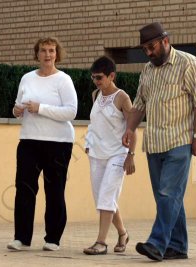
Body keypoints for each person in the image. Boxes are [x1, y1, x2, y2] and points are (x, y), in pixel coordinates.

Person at [122, 22, 196, 261]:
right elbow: (139, 104)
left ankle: (157, 243)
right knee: (170, 198)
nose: (149, 53)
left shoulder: (188, 63)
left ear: (165, 41)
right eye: (144, 49)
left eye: (151, 47)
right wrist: (130, 129)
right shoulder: (148, 70)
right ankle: (178, 245)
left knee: (167, 194)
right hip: (154, 145)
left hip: (179, 142)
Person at [7, 37, 78, 252]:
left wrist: (41, 108)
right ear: (36, 54)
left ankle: (53, 239)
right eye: (43, 51)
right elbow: (18, 106)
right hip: (29, 140)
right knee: (24, 190)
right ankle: (21, 238)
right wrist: (16, 111)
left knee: (54, 190)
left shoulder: (63, 80)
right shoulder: (26, 78)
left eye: (51, 51)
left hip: (58, 143)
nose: (47, 55)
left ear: (57, 54)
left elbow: (71, 112)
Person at [83, 56, 137, 255]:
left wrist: (130, 154)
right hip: (96, 155)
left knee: (106, 197)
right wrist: (88, 143)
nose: (96, 81)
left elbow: (132, 128)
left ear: (111, 75)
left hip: (117, 154)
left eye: (99, 77)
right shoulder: (95, 94)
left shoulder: (122, 97)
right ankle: (123, 233)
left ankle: (101, 242)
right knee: (104, 200)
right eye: (94, 77)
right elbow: (94, 123)